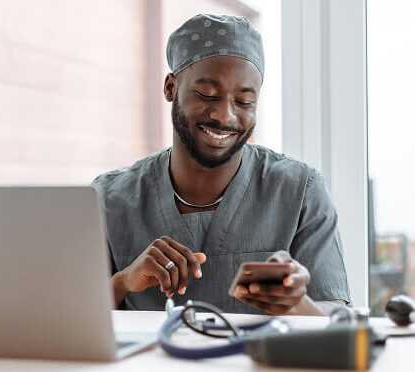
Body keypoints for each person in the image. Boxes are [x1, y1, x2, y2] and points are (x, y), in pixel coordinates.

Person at [91, 14, 350, 315]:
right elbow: (63, 316)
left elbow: (336, 313)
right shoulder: (109, 198)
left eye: (244, 101)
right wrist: (123, 281)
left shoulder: (299, 190)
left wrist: (297, 304)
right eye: (207, 94)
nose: (225, 116)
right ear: (170, 88)